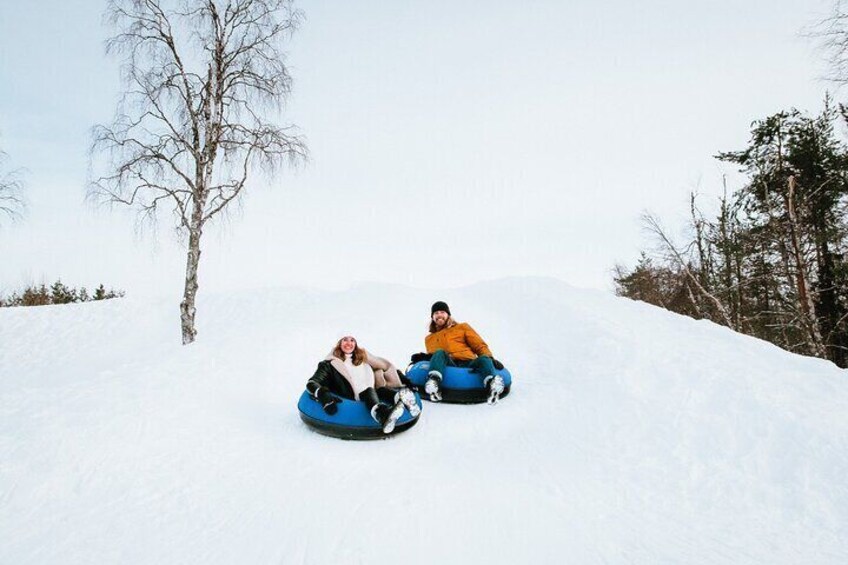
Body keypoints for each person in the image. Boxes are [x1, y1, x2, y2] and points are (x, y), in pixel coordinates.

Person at [306, 335, 420, 434]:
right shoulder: (329, 363)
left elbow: (385, 366)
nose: (349, 343)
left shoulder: (362, 357)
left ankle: (403, 400)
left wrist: (404, 379)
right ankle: (381, 414)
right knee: (369, 391)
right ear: (339, 343)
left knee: (380, 390)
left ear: (356, 344)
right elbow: (312, 382)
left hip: (372, 390)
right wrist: (323, 394)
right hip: (353, 396)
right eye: (345, 340)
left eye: (352, 340)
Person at [424, 301, 505, 405]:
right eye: (436, 313)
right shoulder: (429, 338)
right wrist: (422, 357)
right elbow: (434, 357)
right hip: (449, 363)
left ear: (448, 315)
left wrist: (490, 358)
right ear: (432, 317)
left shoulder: (462, 327)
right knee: (439, 352)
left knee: (484, 359)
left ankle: (492, 386)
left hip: (469, 362)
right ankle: (434, 383)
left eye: (442, 312)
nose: (439, 315)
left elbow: (478, 345)